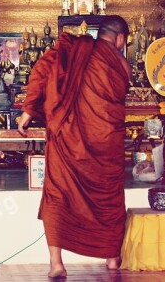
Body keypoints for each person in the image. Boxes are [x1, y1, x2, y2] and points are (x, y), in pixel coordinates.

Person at [18, 15, 131, 277]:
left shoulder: (73, 48)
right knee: (109, 198)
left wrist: (29, 109)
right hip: (105, 143)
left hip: (68, 138)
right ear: (120, 38)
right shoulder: (122, 65)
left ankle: (56, 264)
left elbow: (41, 71)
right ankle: (112, 258)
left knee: (58, 194)